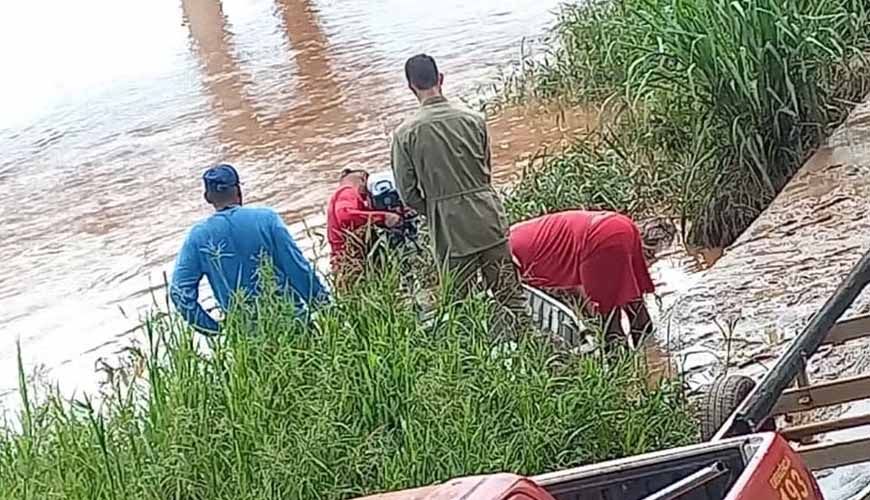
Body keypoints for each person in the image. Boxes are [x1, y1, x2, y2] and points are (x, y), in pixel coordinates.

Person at [390, 53, 527, 324]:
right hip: (489, 217)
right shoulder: (474, 118)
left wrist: (433, 209)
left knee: (460, 307)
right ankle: (531, 350)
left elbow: (407, 193)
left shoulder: (405, 134)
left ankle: (472, 363)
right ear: (440, 79)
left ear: (411, 87)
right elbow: (486, 169)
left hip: (450, 228)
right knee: (511, 297)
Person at [170, 164, 327, 334]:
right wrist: (325, 308)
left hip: (246, 337)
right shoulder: (267, 219)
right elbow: (298, 268)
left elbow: (179, 291)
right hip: (291, 324)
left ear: (207, 197)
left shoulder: (197, 237)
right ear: (238, 191)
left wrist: (212, 329)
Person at [509, 210, 675, 347]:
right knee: (635, 305)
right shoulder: (516, 235)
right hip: (619, 224)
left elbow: (514, 297)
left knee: (609, 320)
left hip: (602, 238)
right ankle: (654, 357)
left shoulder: (505, 255)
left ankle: (625, 374)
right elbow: (577, 289)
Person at [327, 168, 402, 279]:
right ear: (363, 178)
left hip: (345, 264)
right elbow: (345, 216)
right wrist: (384, 217)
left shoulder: (339, 195)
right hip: (350, 262)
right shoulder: (347, 191)